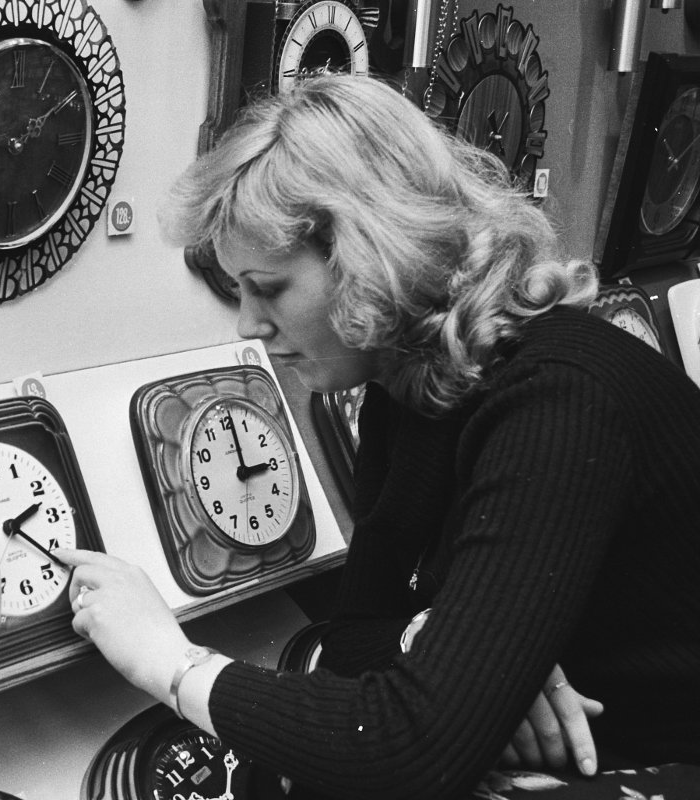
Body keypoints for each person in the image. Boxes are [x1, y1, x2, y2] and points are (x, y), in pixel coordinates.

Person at [54, 74, 700, 799]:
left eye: (268, 287)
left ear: (371, 259)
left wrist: (170, 662)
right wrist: (446, 640)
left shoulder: (558, 398)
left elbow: (409, 753)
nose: (247, 325)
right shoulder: (415, 385)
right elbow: (354, 637)